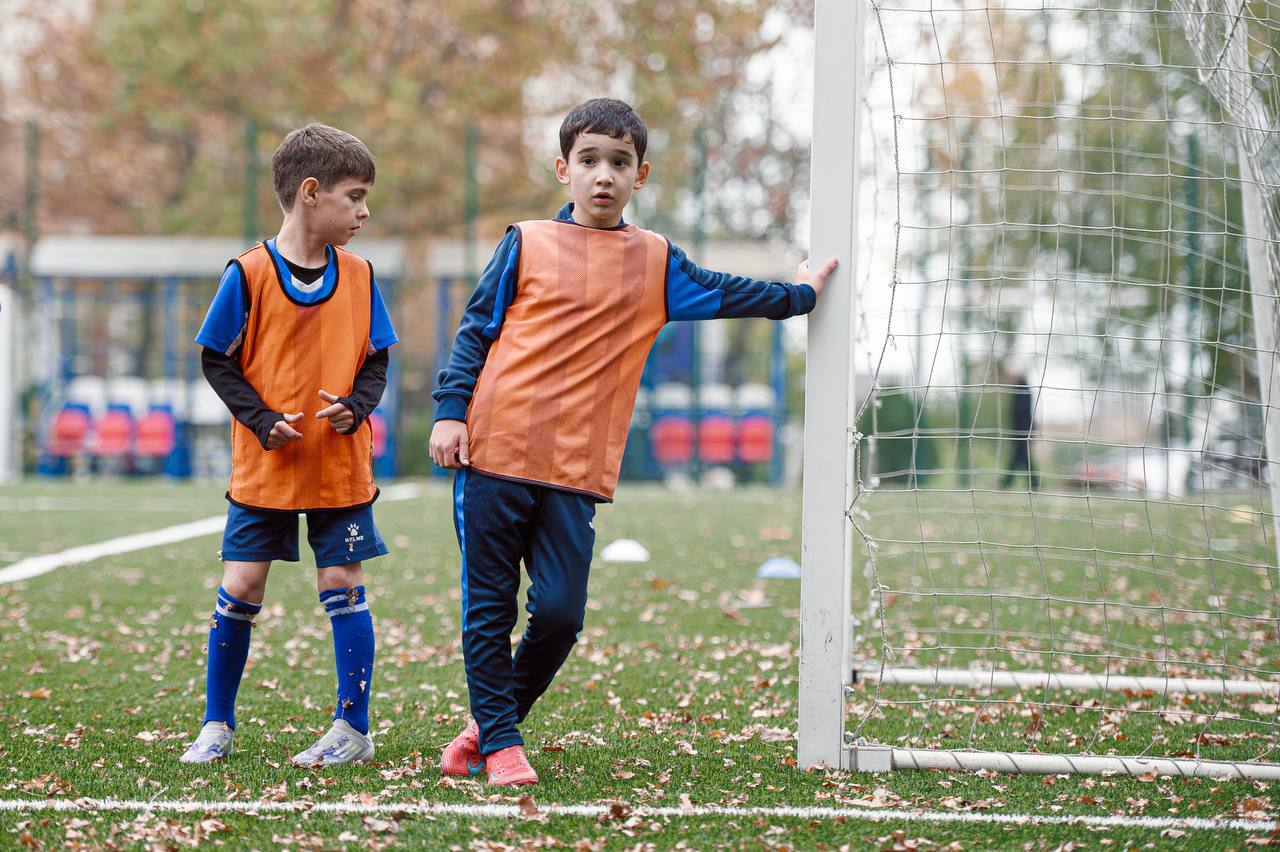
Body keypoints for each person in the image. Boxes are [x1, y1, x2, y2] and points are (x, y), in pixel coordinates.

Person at [428, 98, 837, 786]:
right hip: (494, 452)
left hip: (574, 468)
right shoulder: (524, 241)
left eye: (619, 162)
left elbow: (728, 291)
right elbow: (476, 329)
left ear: (640, 175)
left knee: (559, 614)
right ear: (564, 169)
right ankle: (500, 744)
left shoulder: (655, 261)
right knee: (488, 607)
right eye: (588, 160)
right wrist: (449, 410)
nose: (603, 175)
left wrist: (800, 294)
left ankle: (488, 722)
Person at [180, 123, 398, 766]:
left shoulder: (359, 276)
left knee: (342, 579)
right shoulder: (247, 273)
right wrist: (259, 417)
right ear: (310, 193)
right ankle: (217, 724)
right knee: (243, 585)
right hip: (266, 466)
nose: (364, 211)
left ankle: (351, 727)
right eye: (354, 197)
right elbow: (215, 359)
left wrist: (357, 407)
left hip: (338, 467)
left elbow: (377, 361)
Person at [1000, 368, 1038, 490]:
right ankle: (1034, 483)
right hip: (1020, 430)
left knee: (1020, 457)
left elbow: (1021, 414)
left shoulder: (1022, 391)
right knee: (1021, 457)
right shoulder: (1020, 389)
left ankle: (1006, 483)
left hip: (1022, 431)